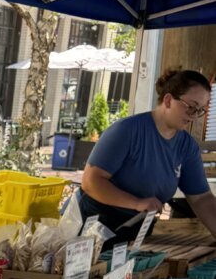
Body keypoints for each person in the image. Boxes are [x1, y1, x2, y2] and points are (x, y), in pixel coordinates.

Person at [78, 69, 216, 239]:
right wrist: (136, 203)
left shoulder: (187, 146)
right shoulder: (127, 131)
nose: (195, 117)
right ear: (168, 100)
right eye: (191, 107)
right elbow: (91, 181)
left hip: (138, 229)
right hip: (96, 225)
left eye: (201, 110)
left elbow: (201, 198)